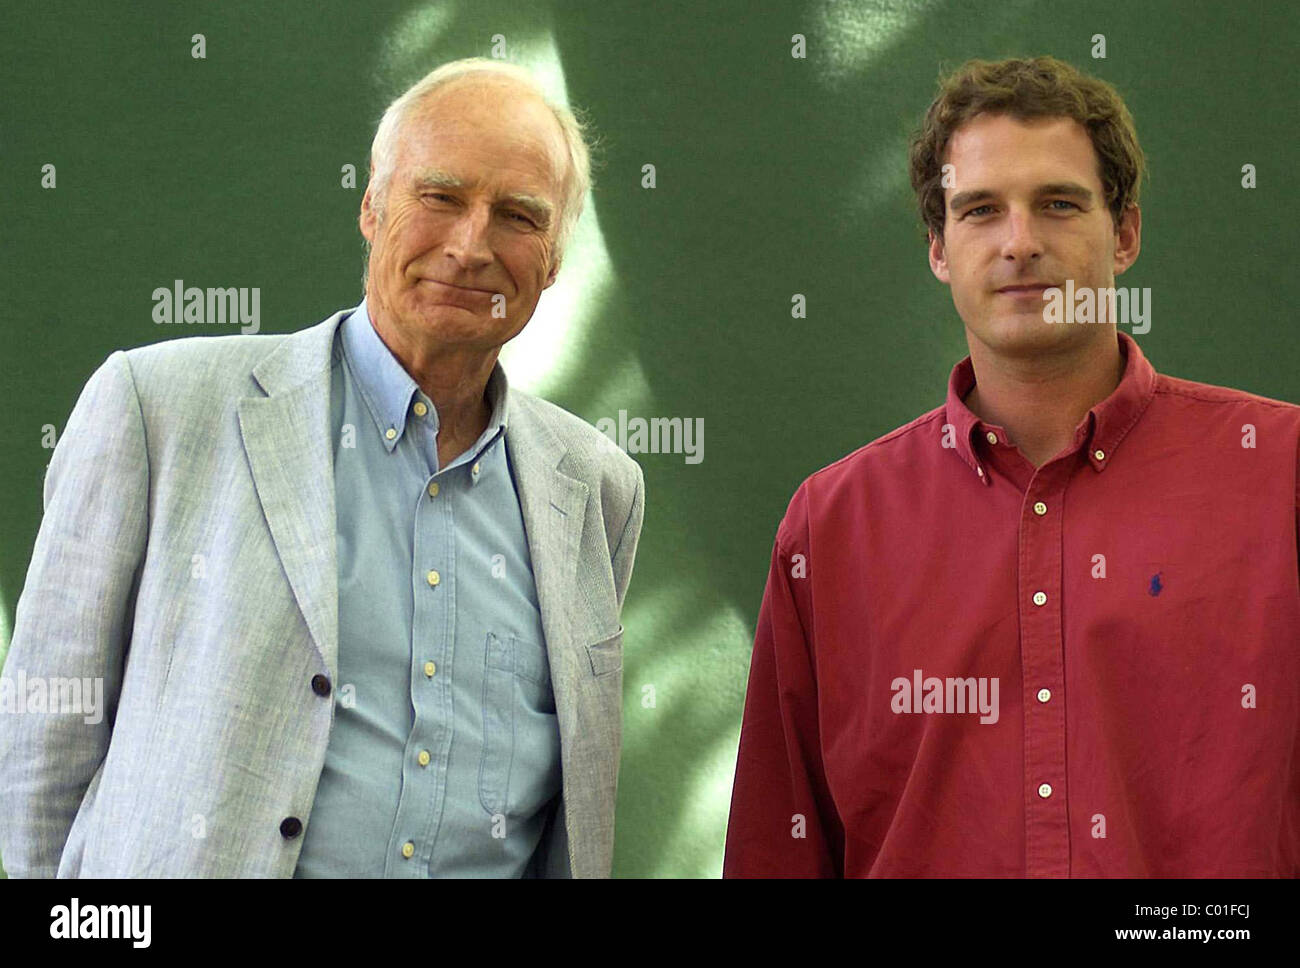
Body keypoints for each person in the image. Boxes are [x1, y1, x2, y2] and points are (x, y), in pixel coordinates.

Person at [0, 58, 644, 878]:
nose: (470, 244)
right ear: (371, 209)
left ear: (553, 261)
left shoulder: (597, 490)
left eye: (518, 215)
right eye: (440, 197)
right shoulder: (157, 407)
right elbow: (44, 735)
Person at [723, 55, 1299, 876]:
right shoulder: (832, 524)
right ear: (938, 248)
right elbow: (776, 849)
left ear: (1125, 233)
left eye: (1059, 204)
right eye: (980, 211)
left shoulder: (1280, 478)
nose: (1019, 243)